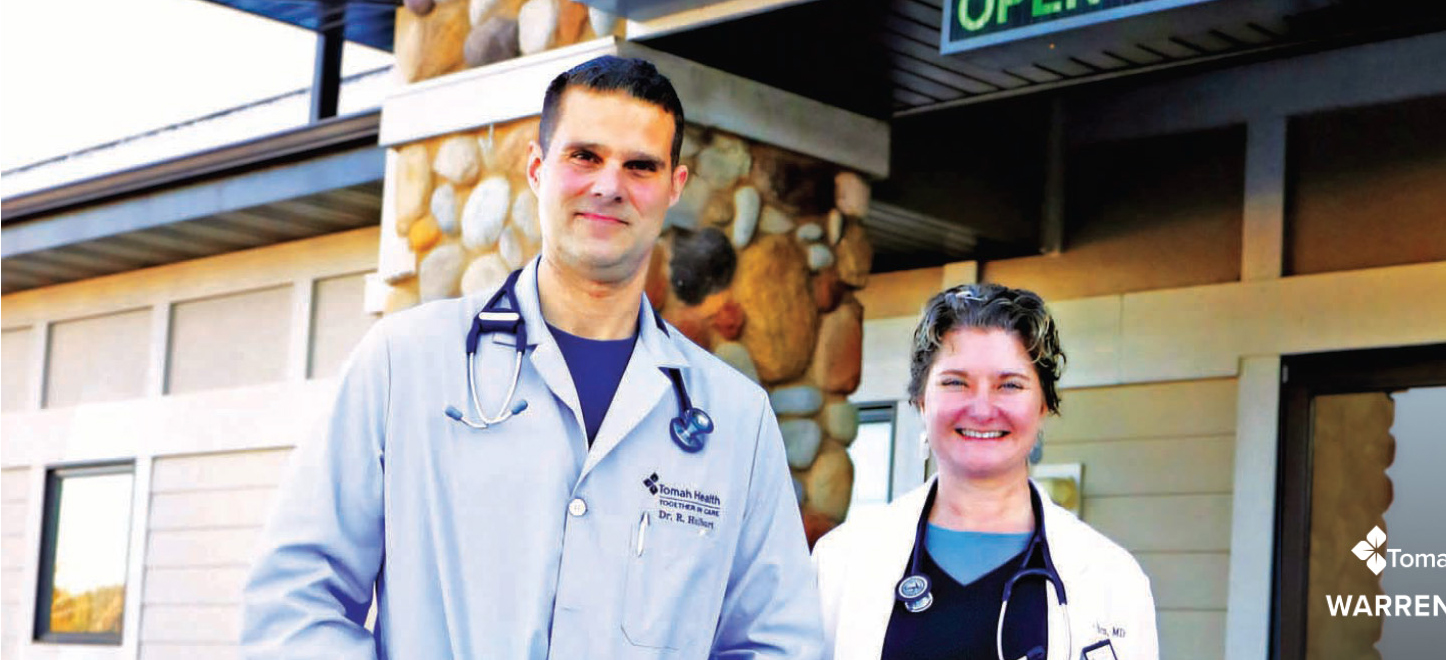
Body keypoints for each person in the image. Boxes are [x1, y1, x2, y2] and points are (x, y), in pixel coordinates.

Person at [241, 56, 823, 659]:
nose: (609, 186)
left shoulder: (735, 419)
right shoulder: (404, 365)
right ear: (538, 168)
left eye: (640, 166)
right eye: (585, 156)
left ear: (674, 188)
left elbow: (779, 642)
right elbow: (293, 603)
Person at [812, 283, 1158, 660]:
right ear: (921, 400)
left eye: (1009, 385)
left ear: (1044, 406)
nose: (981, 409)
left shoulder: (1113, 579)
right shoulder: (841, 561)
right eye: (955, 382)